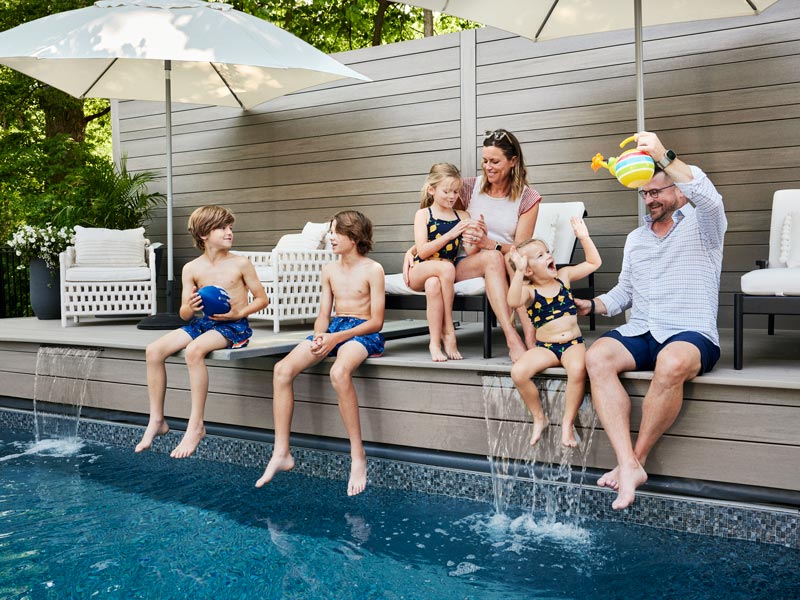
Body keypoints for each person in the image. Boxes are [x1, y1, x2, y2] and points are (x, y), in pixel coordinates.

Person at [576, 131, 727, 510]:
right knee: (596, 357)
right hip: (642, 329)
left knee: (671, 362)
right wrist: (590, 306)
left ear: (677, 191)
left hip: (690, 333)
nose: (649, 199)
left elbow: (708, 194)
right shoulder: (636, 239)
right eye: (644, 193)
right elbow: (623, 292)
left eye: (656, 191)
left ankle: (634, 461)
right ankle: (628, 463)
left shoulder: (704, 225)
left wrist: (662, 154)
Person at [256, 210, 385, 496]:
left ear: (354, 237)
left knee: (338, 372)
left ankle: (357, 456)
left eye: (335, 232)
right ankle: (281, 452)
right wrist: (318, 336)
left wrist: (335, 337)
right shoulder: (329, 270)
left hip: (362, 331)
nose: (331, 237)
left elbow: (376, 321)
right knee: (282, 370)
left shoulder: (373, 269)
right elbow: (323, 315)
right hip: (334, 328)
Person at [135, 205, 269, 458]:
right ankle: (156, 420)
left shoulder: (241, 263)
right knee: (154, 350)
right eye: (222, 228)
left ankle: (196, 425)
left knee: (194, 351)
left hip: (233, 325)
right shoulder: (192, 268)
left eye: (230, 227)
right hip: (205, 323)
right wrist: (190, 306)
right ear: (204, 234)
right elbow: (185, 315)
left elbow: (262, 300)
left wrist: (238, 313)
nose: (229, 232)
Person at [405, 129, 542, 362]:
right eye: (485, 161)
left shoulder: (528, 198)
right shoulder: (467, 188)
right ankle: (511, 337)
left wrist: (490, 243)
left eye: (495, 161)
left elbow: (522, 247)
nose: (488, 167)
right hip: (459, 263)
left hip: (507, 257)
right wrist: (414, 250)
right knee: (494, 258)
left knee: (508, 259)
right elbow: (437, 217)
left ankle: (530, 334)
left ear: (513, 161)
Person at [507, 216, 601, 447]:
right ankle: (539, 417)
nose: (549, 256)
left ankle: (567, 423)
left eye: (547, 252)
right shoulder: (529, 291)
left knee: (578, 368)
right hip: (547, 349)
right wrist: (518, 272)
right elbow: (512, 300)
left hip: (572, 344)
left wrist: (584, 237)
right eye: (540, 256)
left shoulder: (563, 276)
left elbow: (593, 263)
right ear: (528, 271)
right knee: (518, 372)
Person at [408, 163, 475, 361]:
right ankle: (449, 329)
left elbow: (470, 251)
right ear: (432, 189)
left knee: (434, 284)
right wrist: (450, 234)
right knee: (445, 267)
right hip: (420, 268)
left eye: (455, 191)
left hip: (442, 276)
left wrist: (477, 233)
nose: (452, 196)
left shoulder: (462, 215)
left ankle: (434, 343)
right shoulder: (423, 214)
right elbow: (422, 250)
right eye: (446, 191)